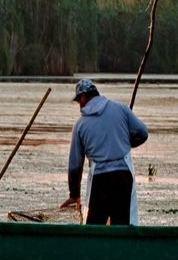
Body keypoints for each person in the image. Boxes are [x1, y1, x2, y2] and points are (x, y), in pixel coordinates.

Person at [61, 78, 148, 225]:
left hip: (101, 179)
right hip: (123, 177)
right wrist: (125, 144)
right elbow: (143, 133)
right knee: (121, 225)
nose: (79, 106)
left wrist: (74, 194)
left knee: (95, 227)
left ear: (83, 97)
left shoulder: (80, 125)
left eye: (78, 101)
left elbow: (75, 165)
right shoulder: (121, 108)